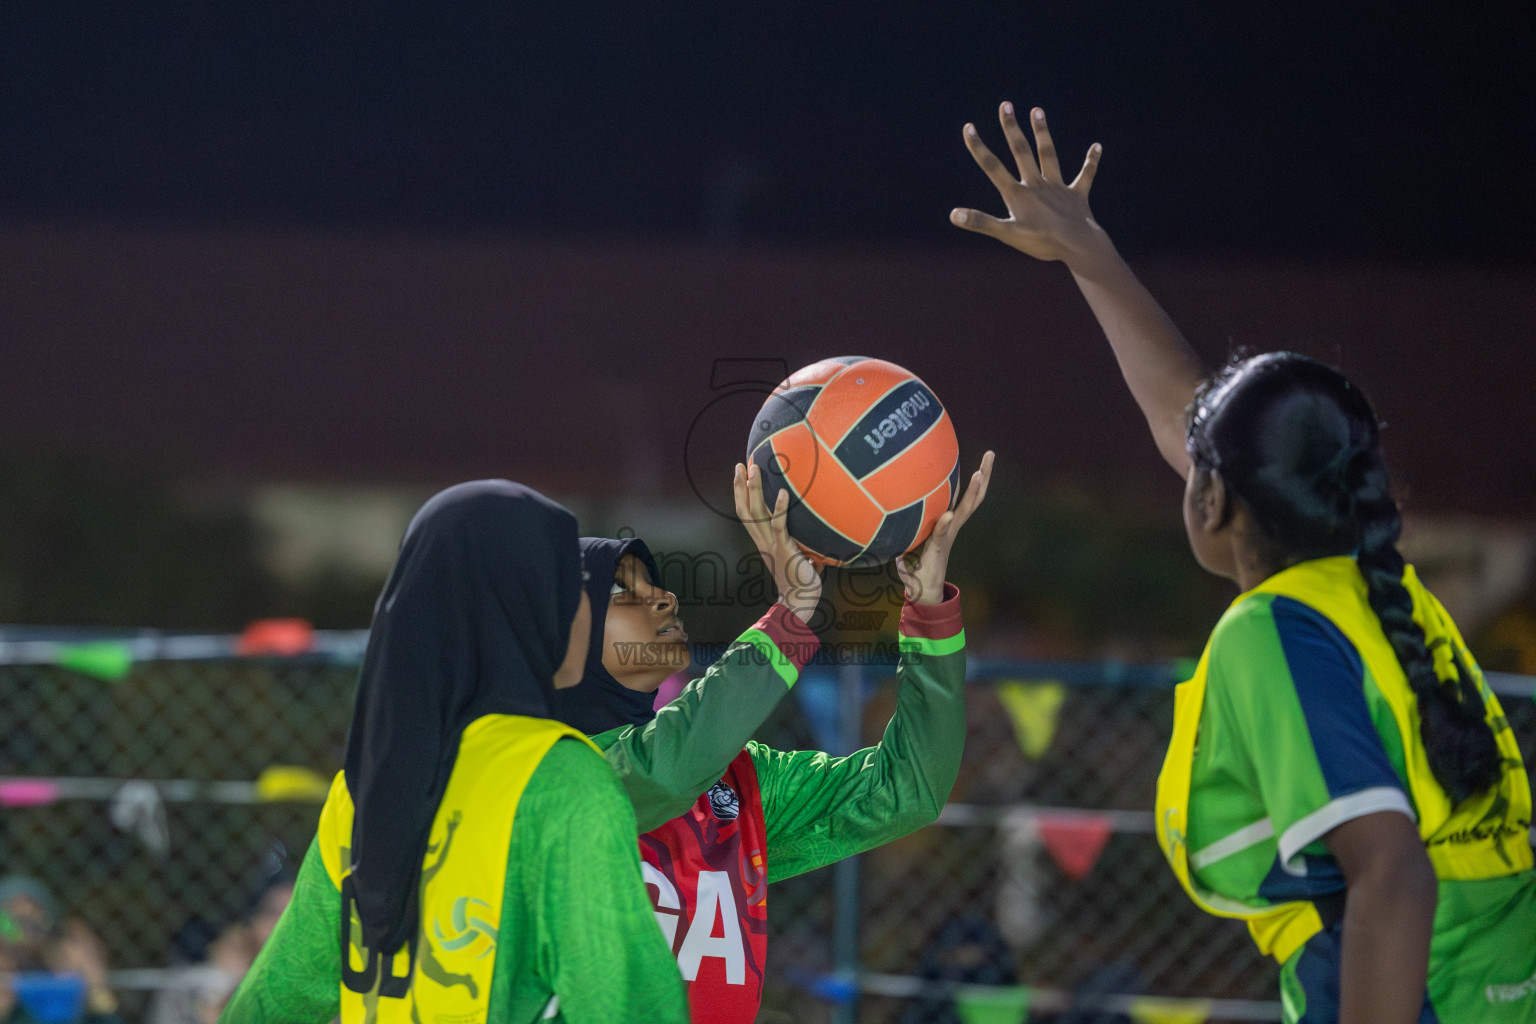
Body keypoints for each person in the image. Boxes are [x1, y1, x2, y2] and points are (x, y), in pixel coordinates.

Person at [950, 103, 1535, 1023]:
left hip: (1406, 986)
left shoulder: (1277, 631)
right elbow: (1193, 410)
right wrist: (1089, 253)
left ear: (1213, 499)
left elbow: (1391, 877)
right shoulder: (1378, 597)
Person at [220, 480, 687, 1024]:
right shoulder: (561, 780)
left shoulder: (362, 787)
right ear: (521, 606)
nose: (579, 609)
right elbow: (629, 1004)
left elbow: (274, 1002)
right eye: (564, 585)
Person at [553, 456, 991, 1023]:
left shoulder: (742, 780)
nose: (663, 599)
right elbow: (667, 773)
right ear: (560, 641)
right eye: (621, 591)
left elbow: (908, 789)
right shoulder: (550, 775)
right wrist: (788, 617)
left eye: (653, 584)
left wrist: (930, 610)